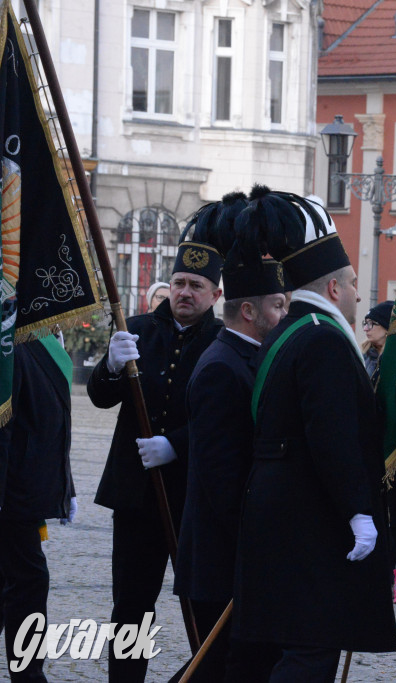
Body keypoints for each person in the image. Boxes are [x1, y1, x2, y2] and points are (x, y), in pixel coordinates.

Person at [233, 188, 396, 681]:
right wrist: (358, 511)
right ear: (332, 290)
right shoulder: (323, 338)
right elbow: (333, 437)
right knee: (311, 651)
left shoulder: (288, 331)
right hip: (312, 520)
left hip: (281, 513)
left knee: (297, 649)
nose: (355, 295)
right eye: (350, 285)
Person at [89, 238, 223, 683]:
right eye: (179, 282)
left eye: (196, 286)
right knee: (131, 607)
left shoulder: (224, 343)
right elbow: (101, 398)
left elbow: (227, 417)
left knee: (202, 608)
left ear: (215, 295)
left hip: (193, 498)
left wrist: (176, 445)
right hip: (135, 497)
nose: (185, 292)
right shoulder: (138, 329)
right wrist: (108, 365)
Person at [173, 193, 291, 682]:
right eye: (278, 305)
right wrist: (256, 547)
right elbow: (223, 481)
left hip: (234, 563)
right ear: (248, 312)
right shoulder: (224, 367)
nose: (284, 315)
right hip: (221, 564)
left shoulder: (247, 359)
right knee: (218, 671)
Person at [0, 336, 74, 682]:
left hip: (26, 491)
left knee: (15, 582)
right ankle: (28, 676)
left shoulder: (40, 338)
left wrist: (65, 483)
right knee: (28, 581)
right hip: (11, 493)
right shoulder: (10, 339)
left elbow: (52, 423)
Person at [361, 300, 394, 382]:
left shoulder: (395, 360)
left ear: (387, 327)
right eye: (365, 323)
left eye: (371, 324)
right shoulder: (363, 356)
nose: (365, 329)